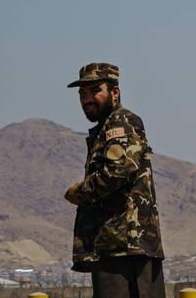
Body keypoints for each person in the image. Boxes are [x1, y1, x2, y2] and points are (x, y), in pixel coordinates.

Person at [63, 62, 165, 298]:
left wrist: (79, 192)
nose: (87, 99)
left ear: (114, 92)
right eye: (82, 94)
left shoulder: (121, 122)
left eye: (95, 91)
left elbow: (119, 170)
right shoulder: (105, 128)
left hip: (126, 247)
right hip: (114, 245)